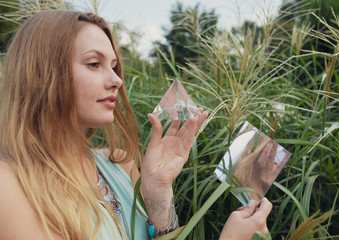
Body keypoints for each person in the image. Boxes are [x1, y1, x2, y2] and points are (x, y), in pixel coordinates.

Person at [0, 10, 272, 240]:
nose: (116, 80)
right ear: (38, 74)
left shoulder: (120, 164)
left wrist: (159, 190)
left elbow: (164, 232)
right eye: (94, 64)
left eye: (114, 67)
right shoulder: (10, 185)